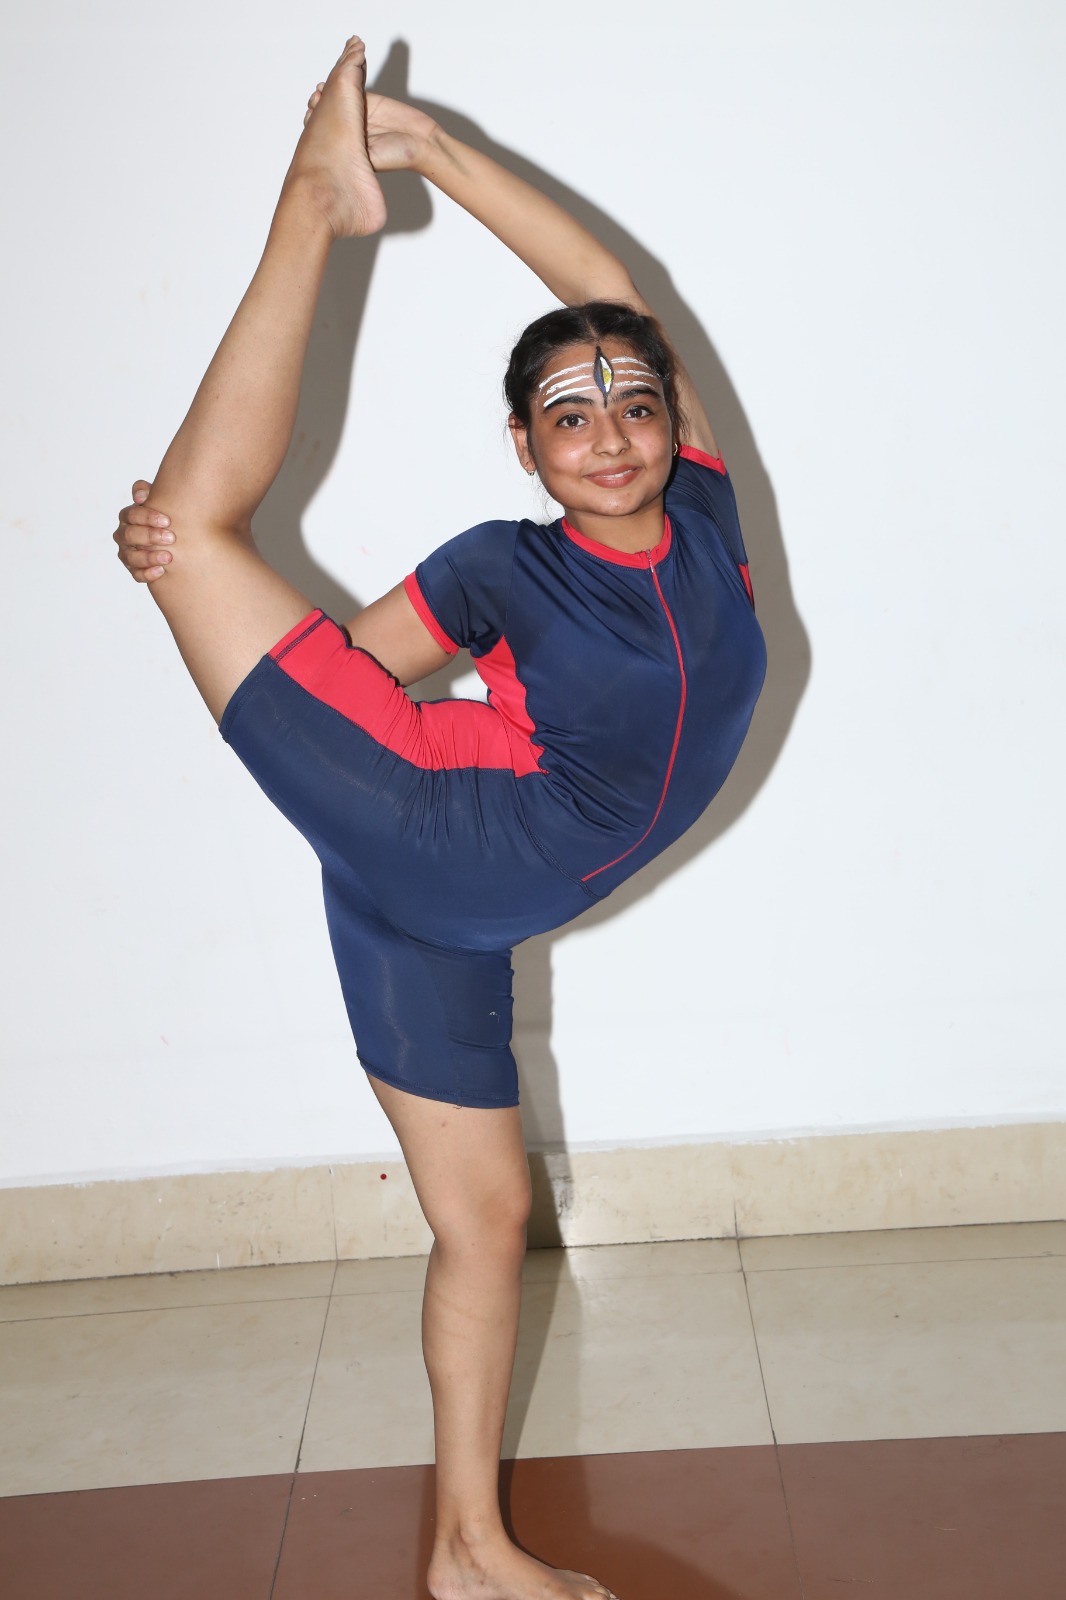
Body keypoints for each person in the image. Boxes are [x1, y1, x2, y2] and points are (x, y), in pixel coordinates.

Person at [112, 35, 766, 1600]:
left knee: (483, 1219)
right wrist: (204, 582)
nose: (610, 432)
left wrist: (437, 151)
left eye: (632, 404)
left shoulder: (704, 508)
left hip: (436, 908)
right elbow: (357, 678)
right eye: (568, 418)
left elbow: (609, 287)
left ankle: (469, 1554)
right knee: (193, 530)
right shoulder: (500, 564)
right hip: (440, 835)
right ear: (525, 448)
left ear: (669, 420)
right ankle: (307, 209)